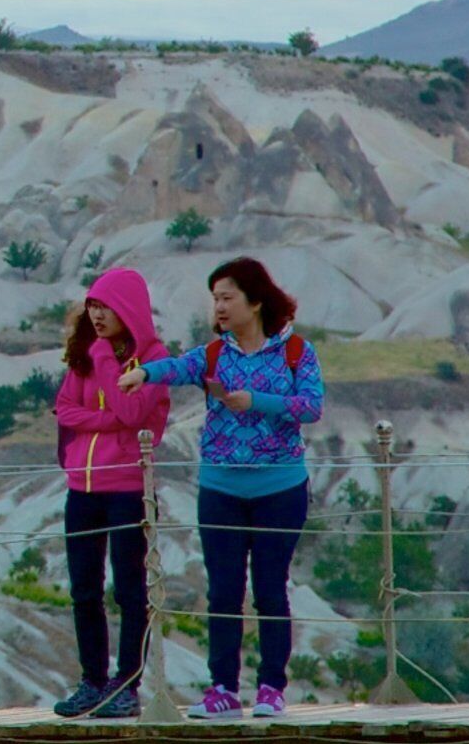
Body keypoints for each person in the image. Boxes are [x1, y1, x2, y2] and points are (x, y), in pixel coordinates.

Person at [121, 254, 325, 718]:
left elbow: (312, 406)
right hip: (220, 488)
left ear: (255, 302)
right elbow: (176, 366)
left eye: (227, 297)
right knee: (224, 590)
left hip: (279, 487)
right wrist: (143, 374)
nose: (219, 307)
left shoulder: (295, 352)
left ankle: (272, 687)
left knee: (271, 588)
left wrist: (257, 401)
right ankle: (223, 689)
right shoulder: (214, 355)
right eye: (214, 299)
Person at [51, 266, 171, 718]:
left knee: (131, 591)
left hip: (125, 488)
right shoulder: (86, 354)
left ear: (130, 309)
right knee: (84, 589)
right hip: (81, 488)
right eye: (93, 306)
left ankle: (127, 684)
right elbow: (65, 410)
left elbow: (131, 407)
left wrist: (104, 360)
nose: (97, 315)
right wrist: (108, 420)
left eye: (106, 307)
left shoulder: (152, 359)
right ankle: (92, 681)